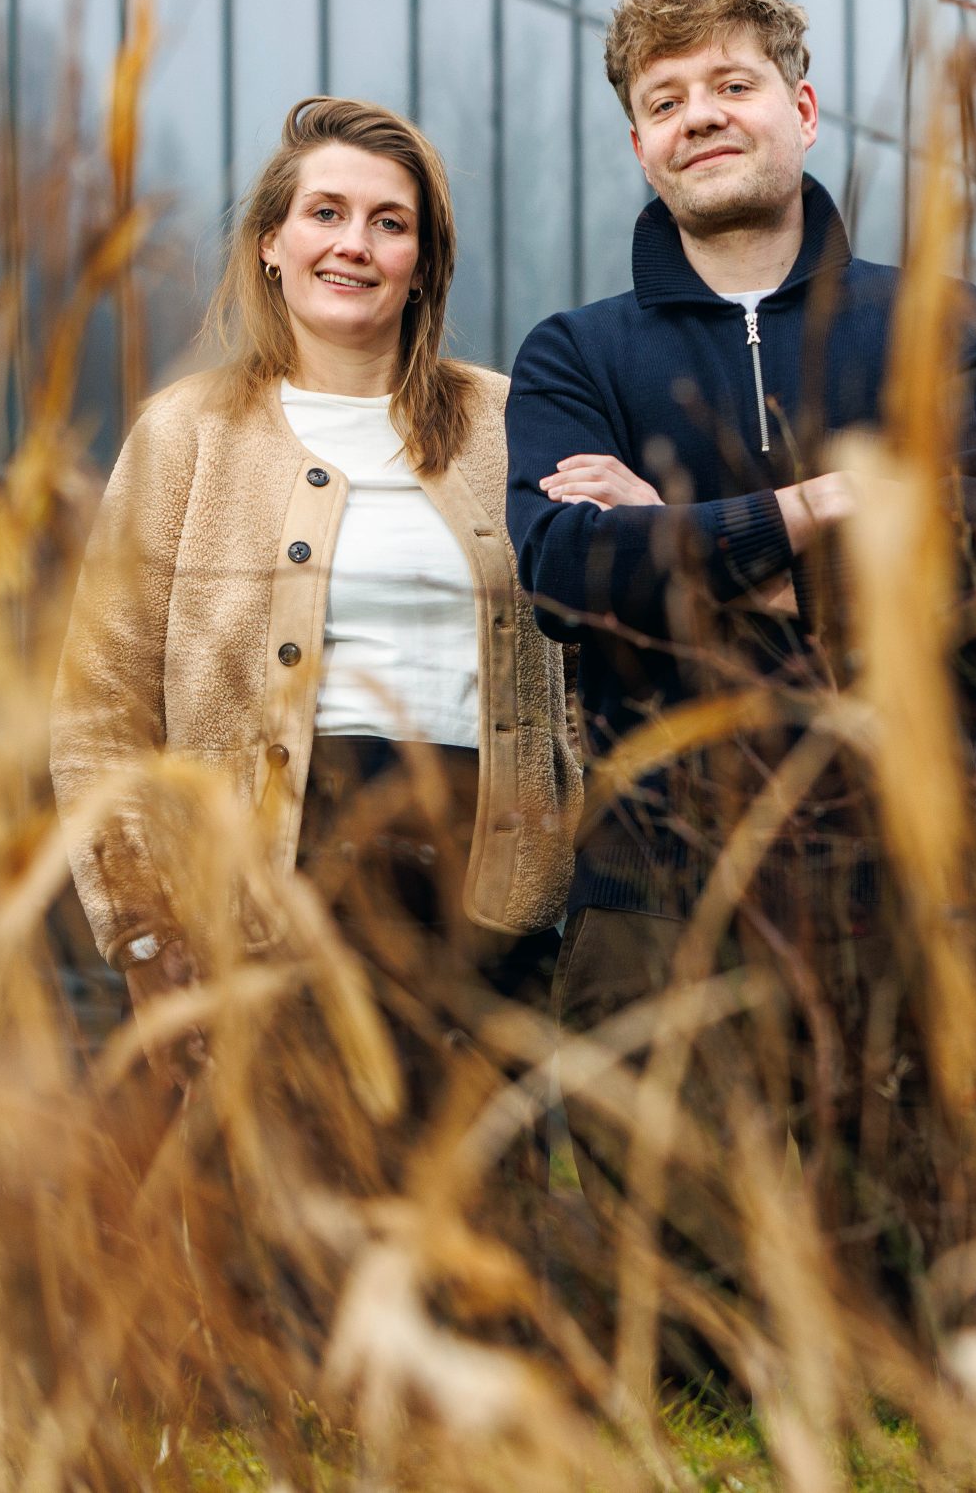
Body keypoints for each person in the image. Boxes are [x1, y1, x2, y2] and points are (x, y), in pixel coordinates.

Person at [504, 0, 976, 1310]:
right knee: (687, 1319)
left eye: (731, 84)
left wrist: (679, 542)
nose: (699, 114)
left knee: (910, 1302)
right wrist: (819, 507)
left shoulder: (935, 325)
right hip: (653, 889)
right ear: (641, 145)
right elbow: (566, 574)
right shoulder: (575, 356)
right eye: (664, 100)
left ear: (800, 111)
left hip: (895, 869)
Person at [52, 97, 580, 1146]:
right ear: (271, 245)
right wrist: (143, 934)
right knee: (283, 1221)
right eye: (325, 213)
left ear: (423, 264)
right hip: (264, 918)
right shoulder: (185, 434)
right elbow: (99, 711)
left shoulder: (506, 424)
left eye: (390, 222)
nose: (355, 244)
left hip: (484, 917)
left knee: (474, 1221)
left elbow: (581, 655)